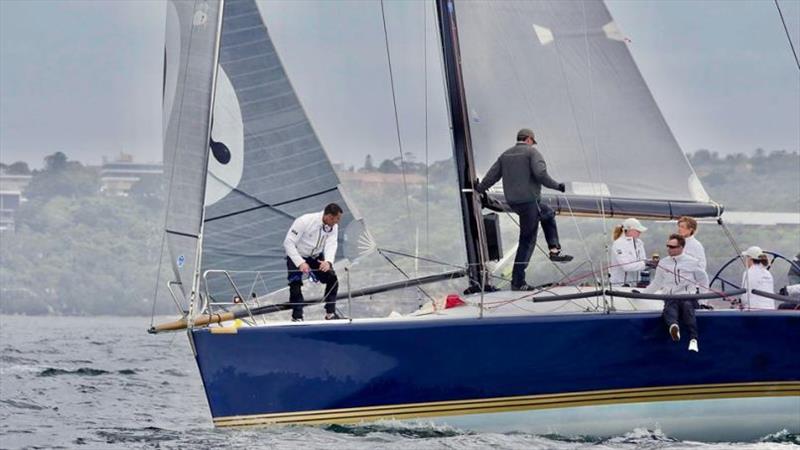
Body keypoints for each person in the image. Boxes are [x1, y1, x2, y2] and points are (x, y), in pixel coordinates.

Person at [476, 128, 573, 291]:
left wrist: (479, 188)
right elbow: (541, 174)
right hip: (529, 202)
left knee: (548, 213)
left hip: (514, 202)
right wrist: (558, 186)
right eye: (532, 142)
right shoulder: (532, 153)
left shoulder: (505, 155)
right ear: (529, 139)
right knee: (527, 240)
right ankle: (518, 281)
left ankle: (554, 250)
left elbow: (492, 176)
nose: (532, 145)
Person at [644, 234, 709, 353]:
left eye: (672, 247)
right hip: (671, 297)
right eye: (668, 246)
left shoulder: (693, 262)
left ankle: (693, 339)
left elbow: (703, 280)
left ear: (681, 248)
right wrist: (644, 294)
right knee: (670, 307)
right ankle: (674, 327)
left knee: (687, 306)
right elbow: (657, 282)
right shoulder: (663, 263)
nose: (669, 249)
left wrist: (703, 301)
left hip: (688, 296)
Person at [283, 203, 344, 321]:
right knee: (295, 283)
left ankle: (330, 313)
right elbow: (288, 243)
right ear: (329, 217)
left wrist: (328, 262)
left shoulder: (333, 226)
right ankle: (297, 317)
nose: (337, 223)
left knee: (332, 279)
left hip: (315, 256)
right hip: (297, 255)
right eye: (337, 219)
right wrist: (300, 262)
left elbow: (332, 243)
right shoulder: (304, 221)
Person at [609, 218, 650, 286]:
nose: (640, 232)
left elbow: (643, 261)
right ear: (629, 230)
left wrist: (651, 264)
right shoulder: (618, 244)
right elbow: (626, 267)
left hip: (636, 285)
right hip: (620, 286)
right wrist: (646, 263)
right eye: (638, 230)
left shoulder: (639, 243)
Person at [740, 246, 775, 310]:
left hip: (754, 311)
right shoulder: (768, 273)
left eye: (746, 257)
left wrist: (740, 303)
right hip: (770, 310)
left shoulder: (748, 273)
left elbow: (745, 296)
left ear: (750, 258)